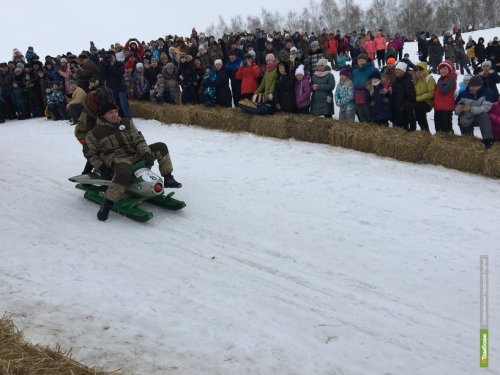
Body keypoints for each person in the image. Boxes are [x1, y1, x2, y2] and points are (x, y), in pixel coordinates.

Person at [86, 101, 181, 221]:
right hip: (118, 159)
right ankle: (108, 203)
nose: (114, 115)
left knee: (160, 147)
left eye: (116, 111)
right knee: (125, 171)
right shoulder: (94, 133)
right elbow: (90, 154)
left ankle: (168, 177)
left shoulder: (126, 123)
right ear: (103, 115)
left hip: (135, 154)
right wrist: (101, 167)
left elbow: (138, 140)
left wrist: (146, 153)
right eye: (110, 113)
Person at [454, 75, 494, 148]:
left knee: (484, 115)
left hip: (478, 118)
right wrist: (459, 109)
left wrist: (470, 109)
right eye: (470, 86)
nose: (471, 88)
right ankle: (468, 140)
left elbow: (485, 108)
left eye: (474, 86)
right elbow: (456, 108)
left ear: (480, 86)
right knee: (468, 142)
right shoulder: (463, 93)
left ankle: (488, 140)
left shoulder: (488, 92)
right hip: (466, 118)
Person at [390, 61, 416, 130]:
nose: (397, 71)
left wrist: (403, 107)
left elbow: (411, 96)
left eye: (399, 70)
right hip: (395, 110)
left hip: (404, 111)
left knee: (404, 130)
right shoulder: (395, 81)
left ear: (403, 71)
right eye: (396, 69)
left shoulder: (408, 81)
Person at [434, 60, 457, 133]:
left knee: (446, 128)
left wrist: (440, 82)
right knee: (438, 127)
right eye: (441, 69)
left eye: (445, 69)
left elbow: (444, 91)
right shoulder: (442, 79)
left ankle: (450, 142)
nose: (442, 71)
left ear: (449, 70)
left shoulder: (451, 79)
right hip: (438, 107)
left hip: (446, 107)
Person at [412, 62, 435, 131]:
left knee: (418, 109)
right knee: (417, 112)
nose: (418, 71)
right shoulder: (416, 79)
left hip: (428, 102)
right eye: (416, 70)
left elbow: (431, 93)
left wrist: (417, 98)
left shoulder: (429, 78)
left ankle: (425, 130)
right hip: (418, 101)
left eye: (420, 70)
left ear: (424, 70)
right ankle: (424, 130)